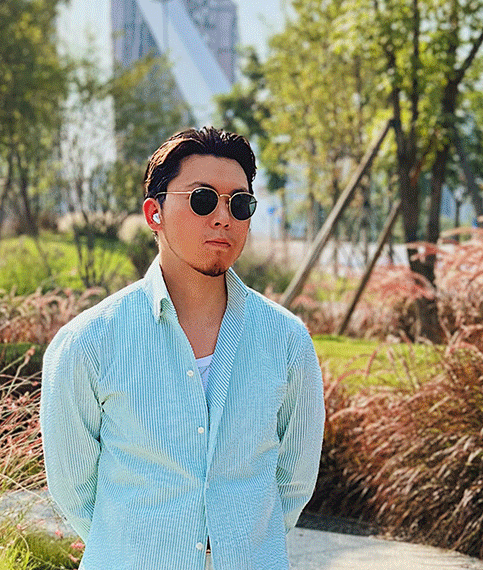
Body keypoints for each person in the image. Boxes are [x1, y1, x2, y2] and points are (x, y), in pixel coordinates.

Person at [40, 126, 324, 570]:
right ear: (154, 213)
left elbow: (294, 480)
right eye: (202, 199)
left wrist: (242, 546)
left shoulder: (286, 340)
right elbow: (71, 486)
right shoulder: (89, 342)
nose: (223, 218)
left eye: (239, 203)